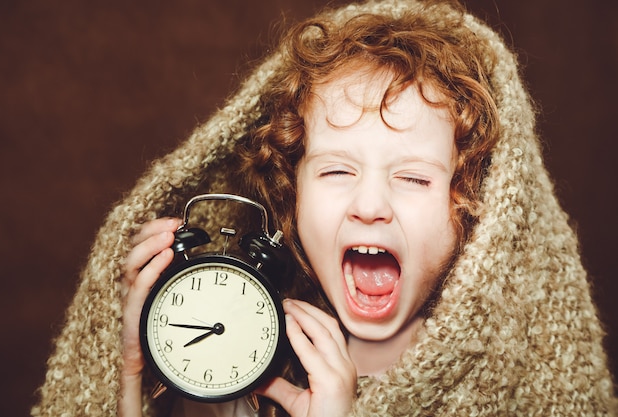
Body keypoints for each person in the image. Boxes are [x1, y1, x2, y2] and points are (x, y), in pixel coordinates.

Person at [32, 0, 617, 416]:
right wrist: (133, 376)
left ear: (475, 211)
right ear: (292, 191)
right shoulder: (251, 357)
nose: (369, 205)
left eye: (413, 178)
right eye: (337, 170)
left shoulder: (510, 386)